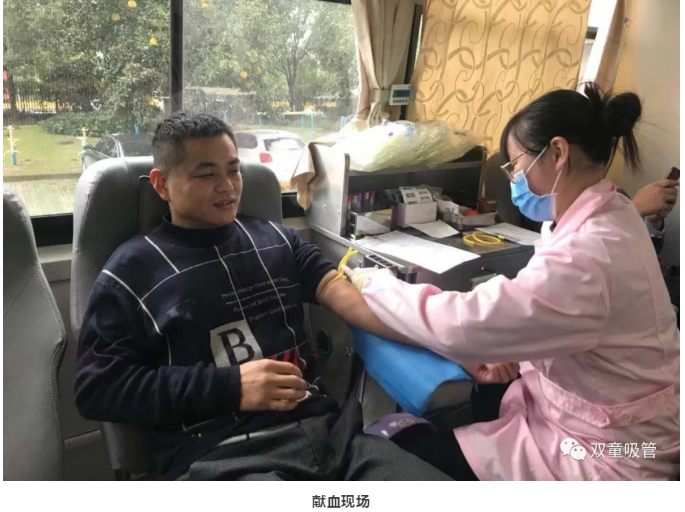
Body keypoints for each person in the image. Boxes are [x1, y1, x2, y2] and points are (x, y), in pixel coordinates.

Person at [73, 112, 515, 481]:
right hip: (224, 458)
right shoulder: (131, 271)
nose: (227, 186)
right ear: (162, 184)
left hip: (335, 442)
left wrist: (457, 347)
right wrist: (229, 387)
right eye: (206, 174)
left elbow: (354, 304)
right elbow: (97, 388)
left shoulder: (277, 240)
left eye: (233, 169)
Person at [343, 83, 680, 481]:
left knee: (400, 460)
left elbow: (462, 325)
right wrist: (515, 345)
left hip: (608, 453)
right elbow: (541, 309)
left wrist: (375, 284)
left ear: (558, 152)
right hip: (604, 417)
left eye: (516, 166)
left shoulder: (588, 254)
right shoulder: (612, 211)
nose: (514, 179)